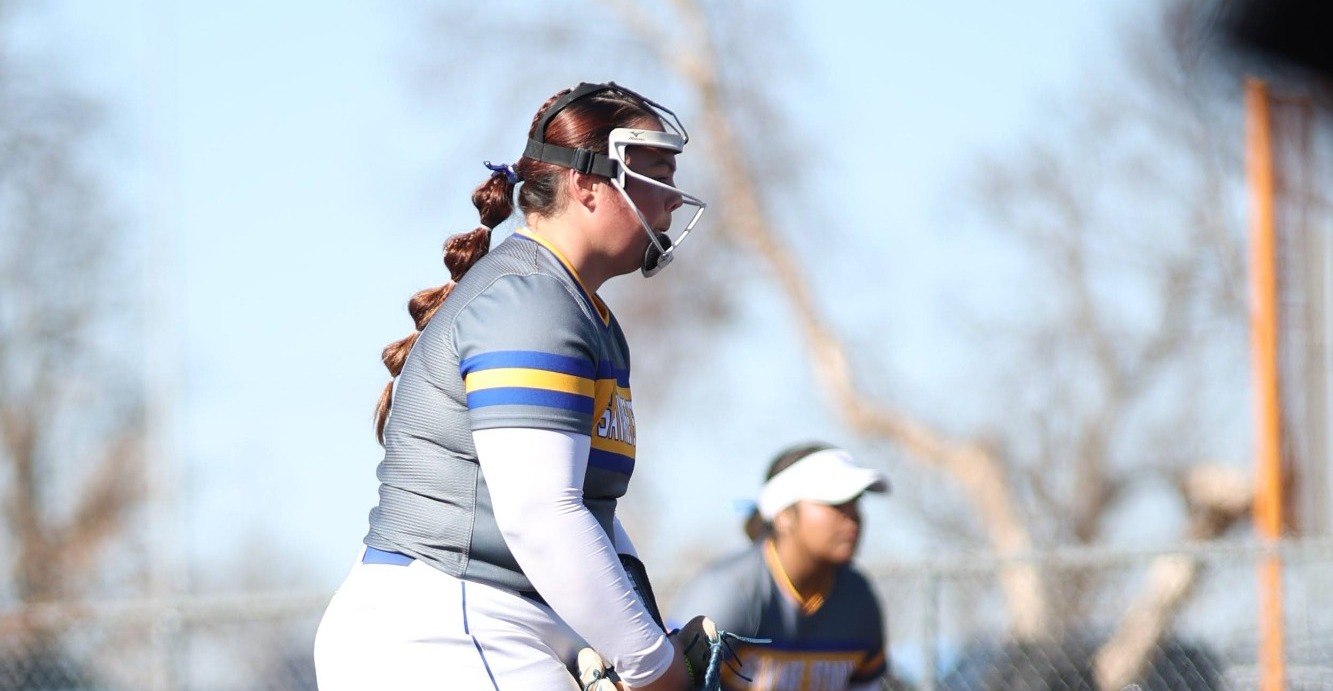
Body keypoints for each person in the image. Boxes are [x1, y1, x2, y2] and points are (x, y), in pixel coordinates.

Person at [313, 81, 710, 691]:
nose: (673, 199)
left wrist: (645, 638)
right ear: (586, 183)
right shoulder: (532, 302)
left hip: (479, 622)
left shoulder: (574, 307)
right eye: (655, 172)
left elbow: (592, 517)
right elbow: (540, 515)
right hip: (444, 627)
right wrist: (655, 668)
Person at [666, 443, 893, 691]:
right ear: (784, 515)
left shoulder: (859, 598)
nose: (853, 516)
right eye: (835, 503)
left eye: (856, 501)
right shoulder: (727, 591)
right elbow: (668, 681)